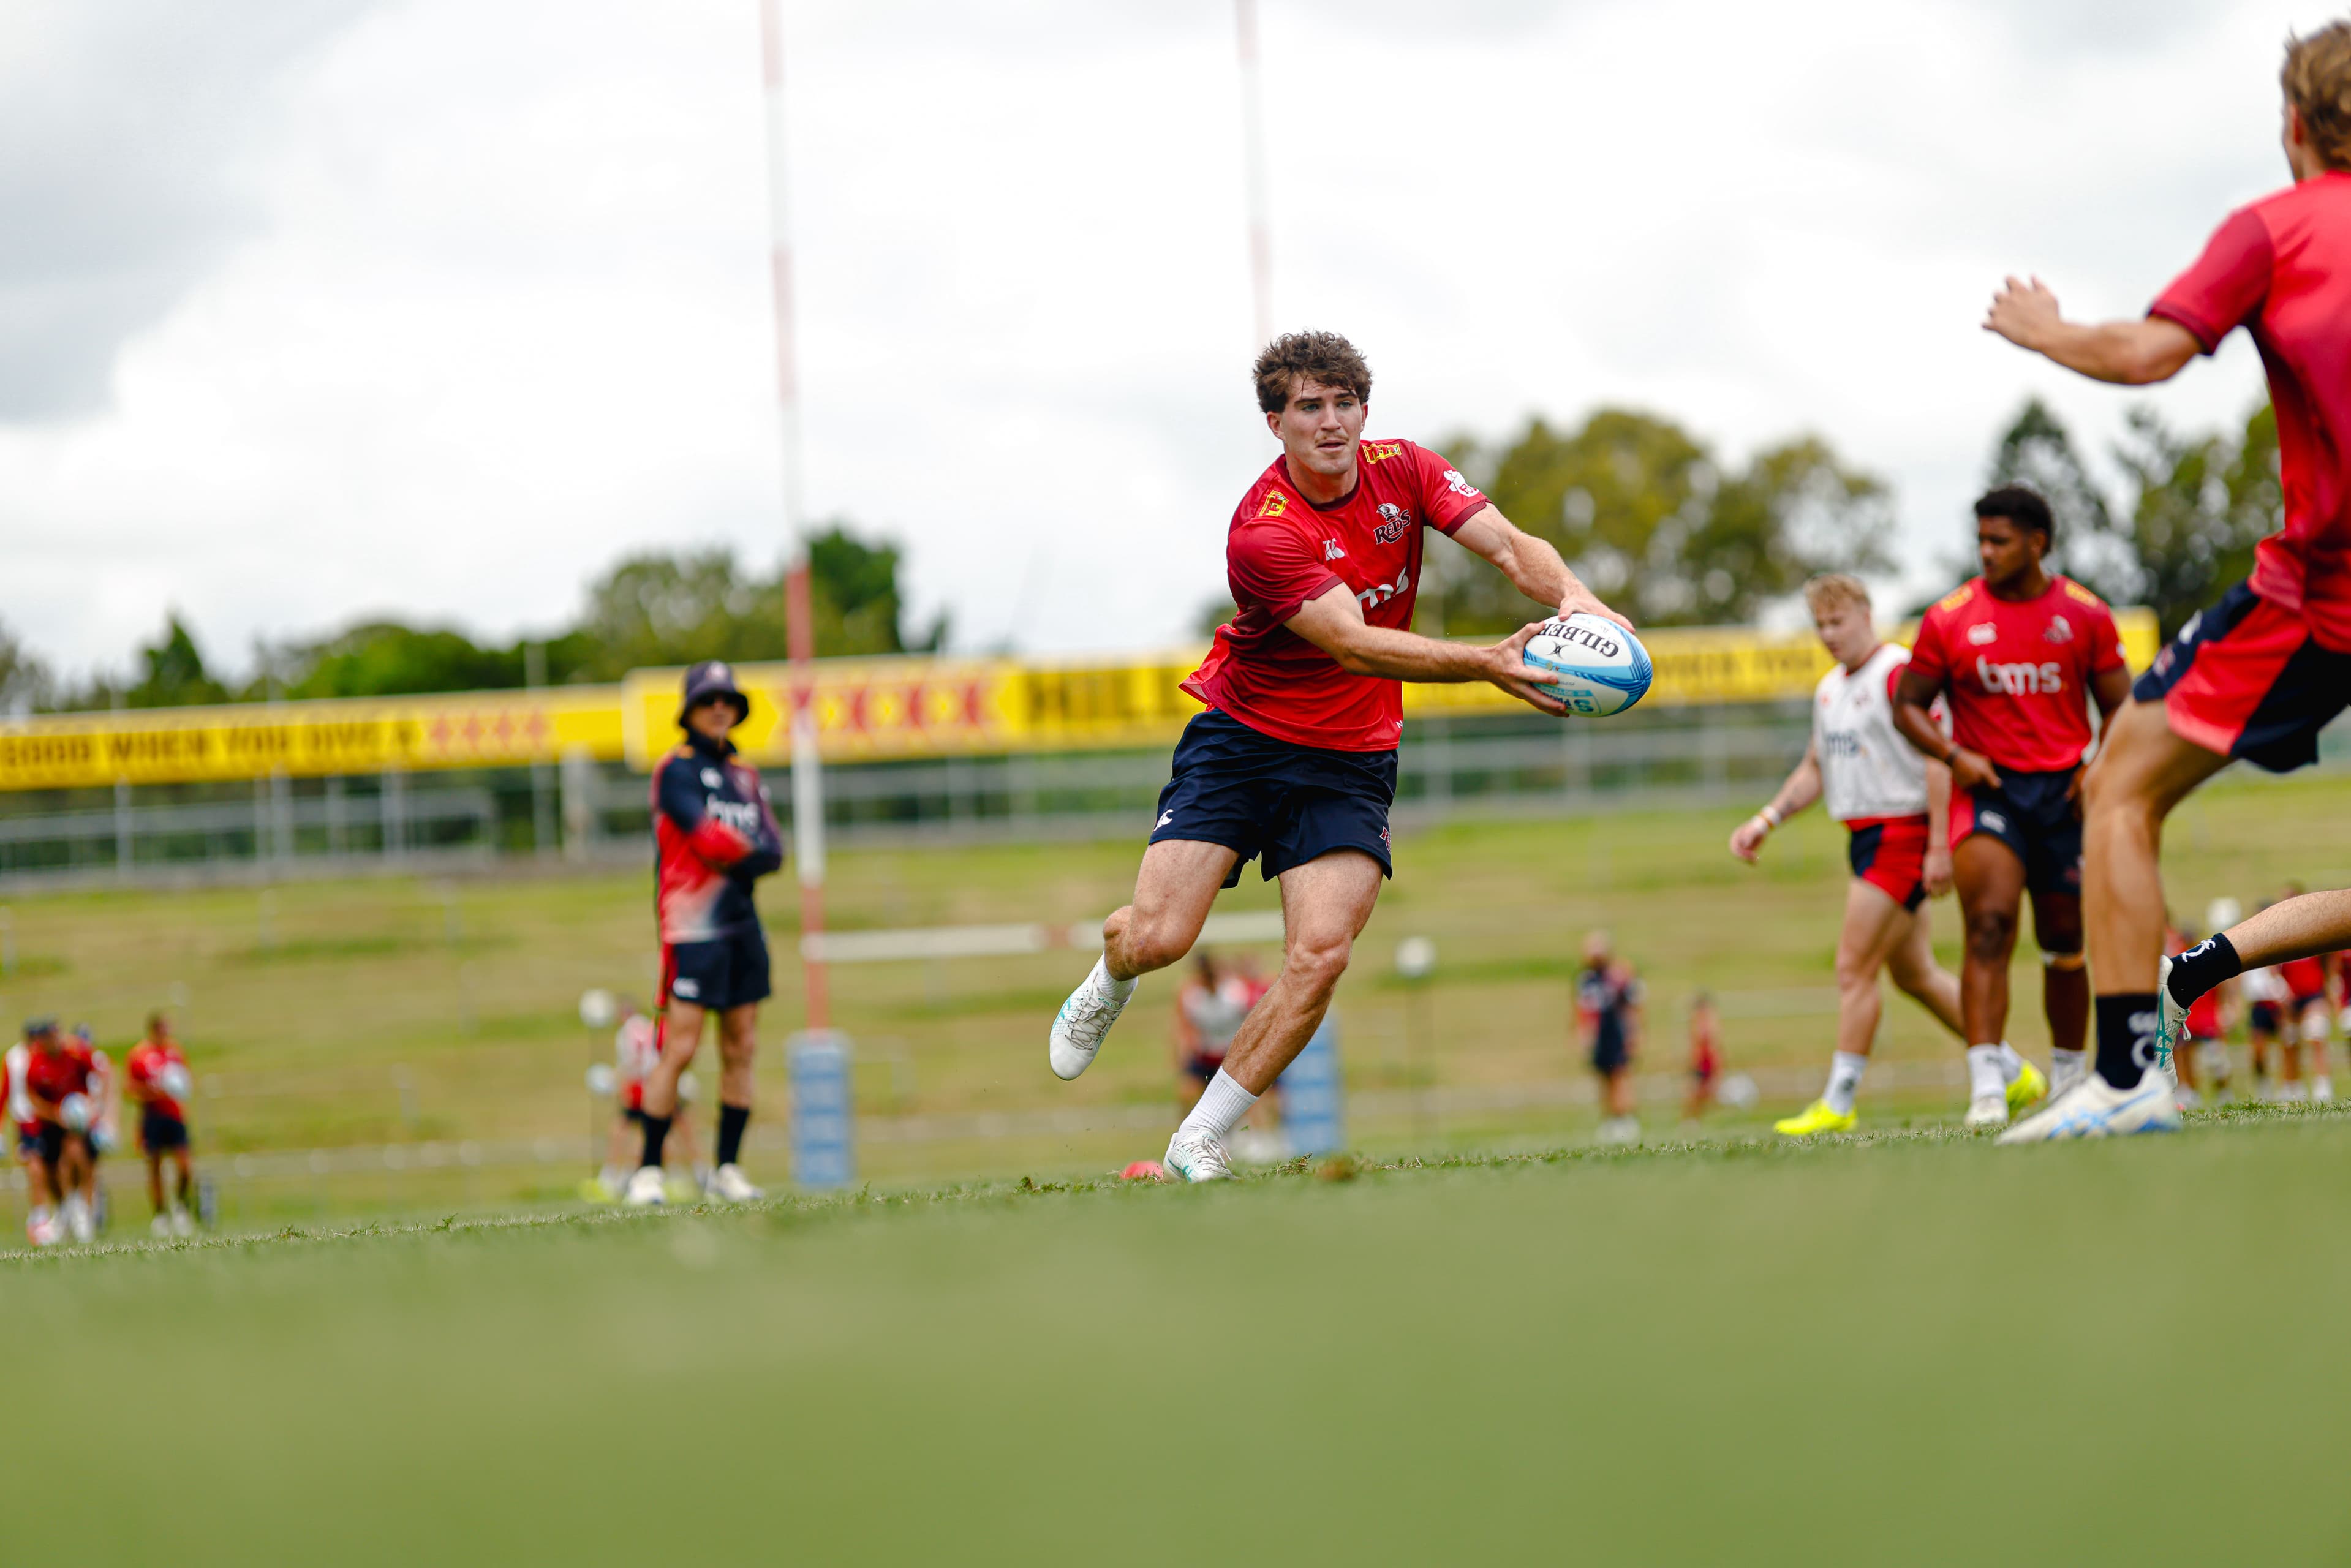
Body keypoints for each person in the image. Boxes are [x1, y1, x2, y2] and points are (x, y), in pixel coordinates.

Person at [1042, 330, 1628, 1180]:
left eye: (1343, 403)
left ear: (1364, 408)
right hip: (1242, 740)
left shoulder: (1408, 470)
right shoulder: (1262, 534)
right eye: (1307, 407)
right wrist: (1489, 663)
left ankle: (1199, 1140)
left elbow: (1509, 546)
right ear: (1274, 423)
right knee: (1162, 936)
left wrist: (1577, 598)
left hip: (1349, 757)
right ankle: (1111, 969)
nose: (1329, 421)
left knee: (1320, 954)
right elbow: (1353, 645)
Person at [1987, 25, 2351, 1139]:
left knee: (2118, 788)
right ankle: (2161, 1020)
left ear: (2290, 125)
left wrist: (2047, 334)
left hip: (2321, 598)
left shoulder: (2273, 230)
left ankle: (2129, 1077)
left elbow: (2149, 355)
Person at [1733, 573, 2041, 1133]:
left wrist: (1941, 845)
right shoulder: (1830, 689)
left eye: (1838, 621)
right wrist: (1767, 818)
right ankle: (2013, 1071)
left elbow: (1935, 759)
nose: (1829, 633)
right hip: (1864, 837)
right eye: (1820, 624)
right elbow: (1814, 768)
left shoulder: (1897, 673)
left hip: (1901, 836)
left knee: (1853, 967)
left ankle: (1839, 1102)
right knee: (1915, 974)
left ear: (1867, 615)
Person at [1890, 488, 2132, 1117]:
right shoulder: (1950, 617)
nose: (1985, 552)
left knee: (2063, 938)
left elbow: (2124, 711)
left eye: (1998, 540)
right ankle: (1987, 1087)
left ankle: (2071, 1079)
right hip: (1989, 792)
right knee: (1990, 926)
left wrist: (2096, 769)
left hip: (2062, 795)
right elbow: (1907, 706)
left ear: (2037, 543)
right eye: (1980, 540)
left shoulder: (2085, 614)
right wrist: (1952, 756)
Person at [626, 661, 784, 1207]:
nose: (720, 708)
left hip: (743, 925)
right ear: (689, 708)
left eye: (728, 699)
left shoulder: (746, 774)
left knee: (742, 1046)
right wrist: (747, 852)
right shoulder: (674, 770)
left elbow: (775, 850)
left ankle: (728, 1171)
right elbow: (711, 840)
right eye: (708, 699)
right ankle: (648, 1171)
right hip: (692, 928)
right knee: (682, 1048)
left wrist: (746, 852)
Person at [592, 1000, 704, 1201]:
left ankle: (617, 1177)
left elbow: (632, 1062)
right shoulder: (648, 1025)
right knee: (669, 1127)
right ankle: (692, 1172)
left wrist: (615, 1081)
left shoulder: (626, 1032)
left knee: (636, 1129)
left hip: (642, 1085)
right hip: (659, 1083)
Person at [23, 1018, 100, 1243]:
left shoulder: (76, 1054)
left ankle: (82, 1210)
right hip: (50, 1123)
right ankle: (64, 1209)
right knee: (51, 1170)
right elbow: (33, 1097)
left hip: (78, 1120)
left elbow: (99, 1077)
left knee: (78, 1156)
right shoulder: (36, 1063)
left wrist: (93, 1107)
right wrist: (54, 1114)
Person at [125, 1013, 197, 1237]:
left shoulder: (175, 1051)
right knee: (154, 1167)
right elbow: (129, 1089)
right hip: (152, 1117)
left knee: (185, 1166)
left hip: (175, 1116)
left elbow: (185, 1082)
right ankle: (160, 1215)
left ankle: (181, 1206)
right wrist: (153, 1093)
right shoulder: (139, 1055)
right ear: (155, 1029)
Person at [2268, 884, 2336, 1102]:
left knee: (2316, 1034)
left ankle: (2322, 1089)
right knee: (2290, 1042)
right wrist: (2279, 988)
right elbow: (2271, 965)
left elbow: (2330, 957)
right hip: (2290, 996)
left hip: (2313, 992)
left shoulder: (2315, 927)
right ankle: (2291, 1089)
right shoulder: (2277, 932)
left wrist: (2330, 988)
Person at [1577, 932, 1644, 1144]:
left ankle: (1625, 1120)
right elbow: (1582, 1009)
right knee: (1603, 1078)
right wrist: (1581, 1034)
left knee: (1620, 1076)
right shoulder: (1586, 979)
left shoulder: (1620, 975)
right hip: (1599, 1035)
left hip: (1617, 1031)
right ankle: (1609, 1120)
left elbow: (1634, 1005)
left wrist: (1635, 1032)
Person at [6, 1029, 55, 1246]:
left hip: (47, 1118)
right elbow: (5, 1090)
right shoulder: (17, 1057)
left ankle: (52, 1215)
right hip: (27, 1120)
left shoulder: (44, 1056)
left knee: (50, 1169)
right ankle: (40, 1218)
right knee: (35, 1168)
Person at [1683, 989, 1722, 1125]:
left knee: (1707, 1091)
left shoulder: (1711, 1022)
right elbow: (1697, 1044)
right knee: (1695, 1092)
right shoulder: (1697, 1023)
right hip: (1700, 1061)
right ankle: (1690, 1119)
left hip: (1709, 1060)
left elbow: (1715, 1044)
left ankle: (1696, 1119)